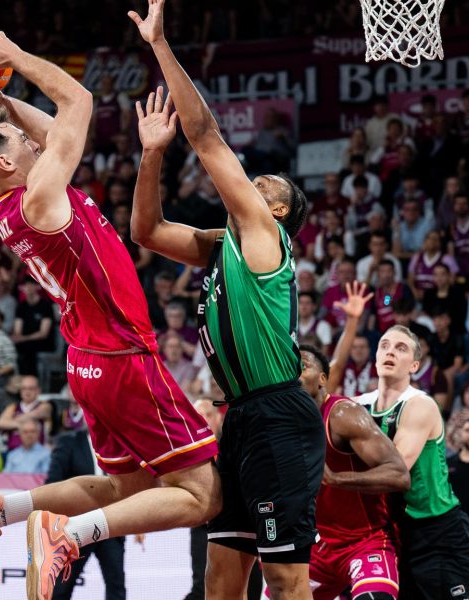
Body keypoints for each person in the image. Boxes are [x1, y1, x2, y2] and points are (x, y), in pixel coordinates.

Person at [0, 21, 220, 598]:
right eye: (19, 142)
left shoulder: (17, 203)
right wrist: (14, 56)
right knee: (202, 495)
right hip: (120, 356)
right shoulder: (41, 195)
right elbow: (78, 101)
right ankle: (68, 535)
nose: (32, 140)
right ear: (7, 166)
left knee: (123, 489)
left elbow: (54, 127)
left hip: (87, 361)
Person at [128, 4, 321, 597]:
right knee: (220, 576)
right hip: (238, 418)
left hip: (278, 416)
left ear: (280, 210)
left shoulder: (265, 236)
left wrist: (160, 46)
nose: (253, 184)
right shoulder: (219, 247)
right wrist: (152, 152)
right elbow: (148, 232)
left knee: (287, 581)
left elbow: (206, 133)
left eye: (267, 187)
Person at [355, 325, 469, 600]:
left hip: (438, 530)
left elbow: (395, 471)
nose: (390, 351)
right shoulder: (358, 406)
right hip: (395, 533)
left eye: (400, 348)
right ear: (375, 356)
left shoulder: (419, 404)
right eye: (385, 345)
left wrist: (334, 476)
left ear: (415, 365)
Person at [297, 344, 409, 600]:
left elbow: (400, 475)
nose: (294, 373)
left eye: (302, 366)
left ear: (323, 379)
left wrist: (335, 479)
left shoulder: (343, 415)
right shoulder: (282, 424)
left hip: (364, 541)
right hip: (316, 546)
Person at [47, 424, 129, 600]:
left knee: (117, 585)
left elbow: (130, 485)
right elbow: (52, 484)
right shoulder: (69, 442)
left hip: (112, 525)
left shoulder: (121, 445)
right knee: (62, 587)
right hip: (78, 526)